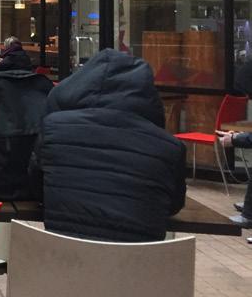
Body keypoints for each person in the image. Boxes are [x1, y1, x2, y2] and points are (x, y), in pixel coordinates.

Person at [34, 49, 187, 242]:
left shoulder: (53, 129)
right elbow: (173, 205)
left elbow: (37, 188)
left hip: (63, 257)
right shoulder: (170, 148)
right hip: (139, 260)